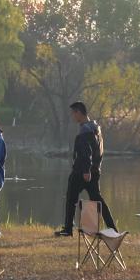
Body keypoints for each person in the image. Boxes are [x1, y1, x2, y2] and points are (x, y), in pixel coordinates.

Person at [55, 101, 118, 237]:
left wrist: (85, 170)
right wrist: (94, 168)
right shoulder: (96, 128)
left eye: (73, 113)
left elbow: (86, 152)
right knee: (98, 199)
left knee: (71, 199)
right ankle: (112, 228)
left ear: (78, 112)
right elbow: (99, 151)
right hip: (94, 171)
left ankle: (68, 229)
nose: (72, 116)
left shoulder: (85, 130)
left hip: (82, 171)